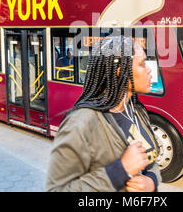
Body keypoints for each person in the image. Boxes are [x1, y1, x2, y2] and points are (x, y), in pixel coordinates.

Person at [46, 36, 161, 192]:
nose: (149, 69)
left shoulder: (136, 109)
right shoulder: (81, 122)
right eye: (142, 64)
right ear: (120, 71)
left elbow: (150, 161)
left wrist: (151, 180)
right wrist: (120, 171)